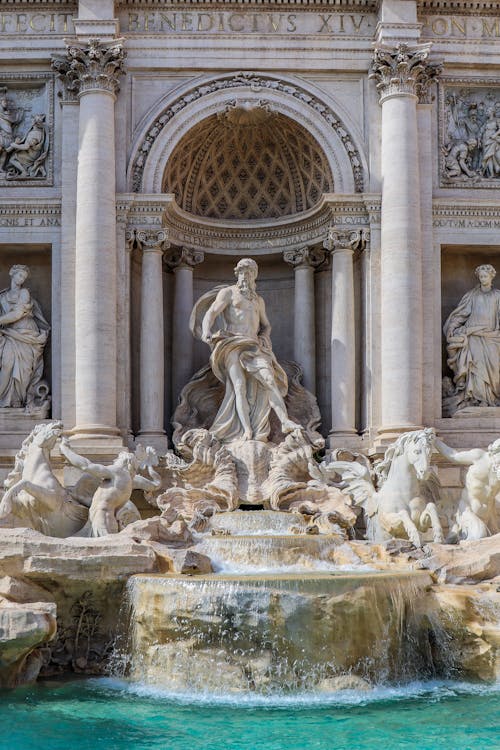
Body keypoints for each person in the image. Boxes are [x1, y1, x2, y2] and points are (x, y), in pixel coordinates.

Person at [190, 258, 301, 442]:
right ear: (237, 274)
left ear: (254, 276)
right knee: (239, 387)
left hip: (254, 346)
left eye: (249, 272)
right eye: (242, 272)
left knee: (269, 380)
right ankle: (247, 431)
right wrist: (207, 330)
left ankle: (285, 421)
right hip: (232, 343)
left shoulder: (258, 300)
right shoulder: (228, 293)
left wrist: (264, 337)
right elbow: (212, 312)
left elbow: (266, 325)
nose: (245, 276)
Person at [59, 439, 162, 537]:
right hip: (111, 521)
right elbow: (155, 485)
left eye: (117, 460)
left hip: (102, 519)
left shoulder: (117, 472)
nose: (114, 462)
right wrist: (149, 466)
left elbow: (86, 466)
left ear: (124, 462)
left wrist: (65, 450)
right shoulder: (131, 480)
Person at [444, 264, 500, 409]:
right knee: (476, 367)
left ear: (491, 277)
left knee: (494, 370)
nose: (482, 279)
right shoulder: (472, 295)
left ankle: (492, 398)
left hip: (492, 337)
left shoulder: (497, 296)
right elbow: (461, 314)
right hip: (474, 336)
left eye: (485, 276)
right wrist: (452, 326)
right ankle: (476, 399)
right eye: (481, 276)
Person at [0, 264, 50, 408]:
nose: (21, 279)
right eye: (20, 275)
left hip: (26, 334)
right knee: (7, 365)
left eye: (24, 277)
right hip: (9, 334)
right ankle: (4, 400)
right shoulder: (2, 296)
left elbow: (17, 314)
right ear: (12, 273)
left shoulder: (24, 293)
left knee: (25, 370)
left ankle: (16, 401)